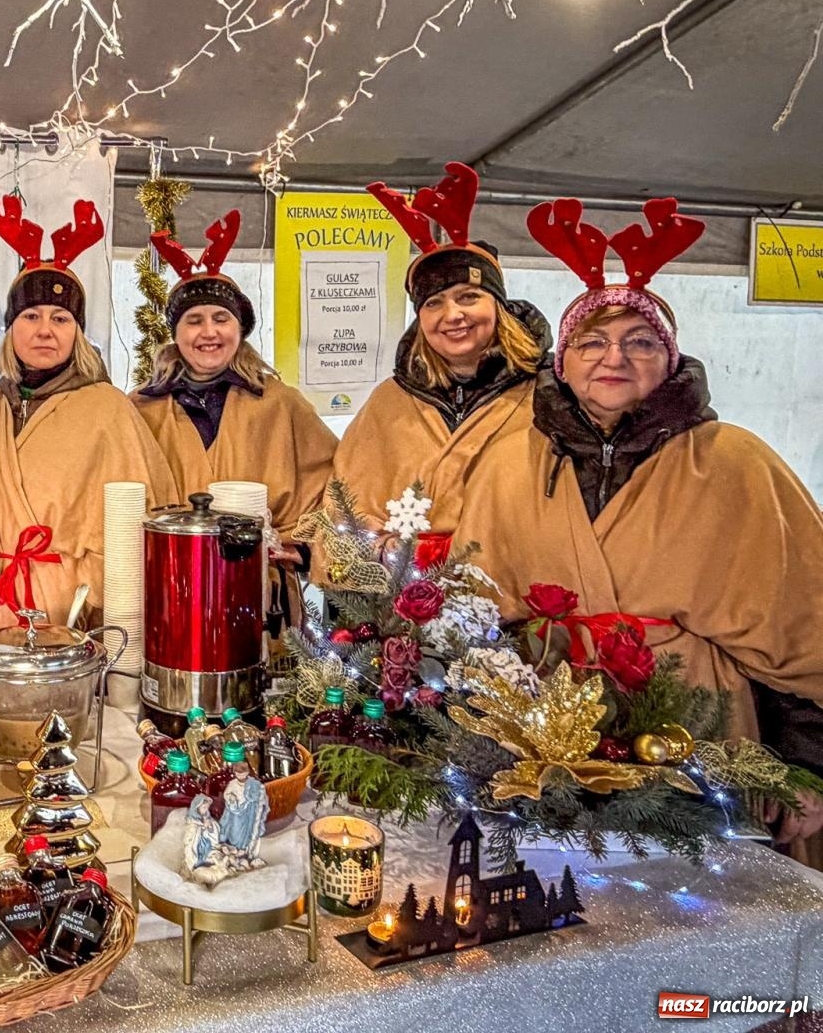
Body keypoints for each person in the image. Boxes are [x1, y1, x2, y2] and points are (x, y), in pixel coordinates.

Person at [456, 195, 823, 848]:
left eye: (640, 341)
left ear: (672, 358)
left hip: (699, 739)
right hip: (549, 740)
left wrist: (806, 765)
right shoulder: (508, 462)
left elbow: (803, 632)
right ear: (563, 364)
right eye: (592, 342)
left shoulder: (736, 463)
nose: (613, 358)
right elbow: (471, 614)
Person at [0, 196, 177, 637]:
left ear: (77, 332)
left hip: (75, 612)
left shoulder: (109, 410)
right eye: (31, 315)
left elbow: (141, 521)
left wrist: (96, 602)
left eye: (61, 318)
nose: (44, 330)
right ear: (11, 327)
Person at [334, 163, 550, 530]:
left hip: (515, 580)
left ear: (498, 306)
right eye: (434, 303)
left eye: (469, 297)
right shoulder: (390, 402)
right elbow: (345, 502)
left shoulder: (549, 392)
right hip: (404, 582)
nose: (453, 315)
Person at [133, 210, 337, 555]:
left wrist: (303, 550)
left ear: (239, 330)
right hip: (169, 578)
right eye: (194, 320)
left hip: (260, 581)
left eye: (221, 319)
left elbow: (336, 485)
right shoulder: (140, 408)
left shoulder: (280, 403)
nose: (209, 332)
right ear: (176, 334)